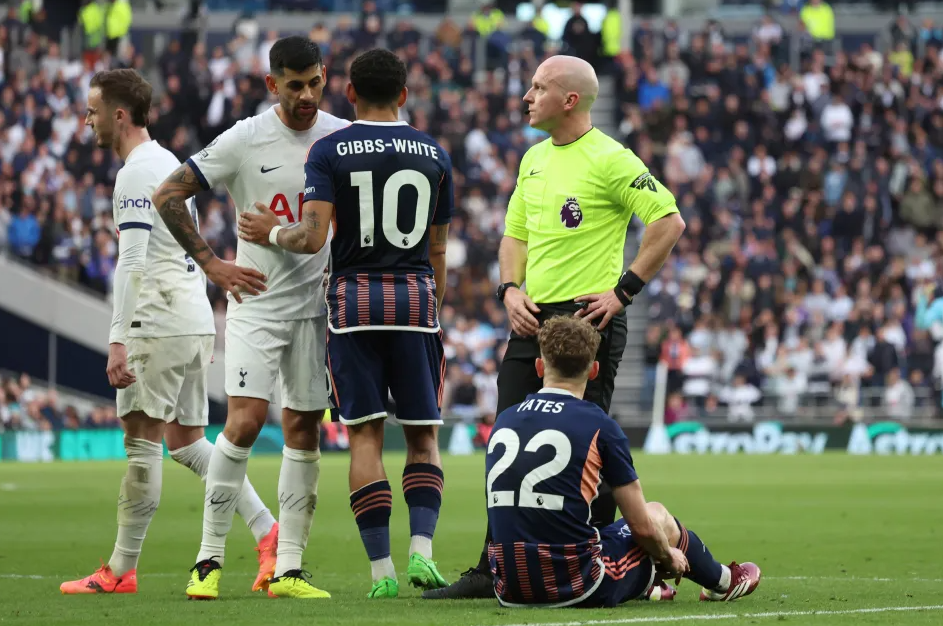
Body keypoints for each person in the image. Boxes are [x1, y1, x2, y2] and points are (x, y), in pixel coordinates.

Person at [426, 54, 686, 599]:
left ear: (569, 100)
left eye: (538, 87)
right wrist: (509, 289)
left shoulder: (611, 159)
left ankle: (607, 559)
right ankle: (493, 564)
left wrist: (623, 291)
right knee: (508, 436)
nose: (526, 96)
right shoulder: (534, 158)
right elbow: (514, 236)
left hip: (588, 320)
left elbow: (668, 221)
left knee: (588, 446)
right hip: (531, 317)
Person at [238, 48, 452, 600]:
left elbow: (311, 238)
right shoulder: (434, 153)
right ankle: (423, 551)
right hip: (415, 300)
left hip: (354, 303)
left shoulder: (329, 150)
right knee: (423, 435)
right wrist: (433, 306)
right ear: (403, 94)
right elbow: (438, 248)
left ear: (349, 92)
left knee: (365, 437)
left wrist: (271, 231)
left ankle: (381, 573)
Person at [60, 69, 277, 595]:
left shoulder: (135, 173)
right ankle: (268, 530)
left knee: (141, 445)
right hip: (190, 319)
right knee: (186, 443)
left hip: (156, 322)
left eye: (92, 111)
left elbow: (133, 262)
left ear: (118, 115)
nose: (86, 121)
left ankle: (120, 570)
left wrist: (118, 338)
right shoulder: (168, 164)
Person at [151, 37, 348, 600]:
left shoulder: (339, 136)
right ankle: (208, 561)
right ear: (272, 84)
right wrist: (213, 264)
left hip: (315, 311)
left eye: (314, 82)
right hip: (256, 305)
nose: (306, 95)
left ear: (325, 76)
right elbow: (168, 195)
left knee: (304, 429)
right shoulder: (245, 137)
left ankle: (288, 569)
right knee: (244, 423)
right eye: (294, 85)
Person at [485, 316, 762, 607]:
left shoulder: (504, 419)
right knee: (656, 515)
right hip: (577, 585)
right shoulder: (599, 425)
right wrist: (669, 557)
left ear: (539, 367)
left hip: (508, 587)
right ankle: (723, 581)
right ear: (594, 371)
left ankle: (648, 584)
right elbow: (641, 526)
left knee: (588, 532)